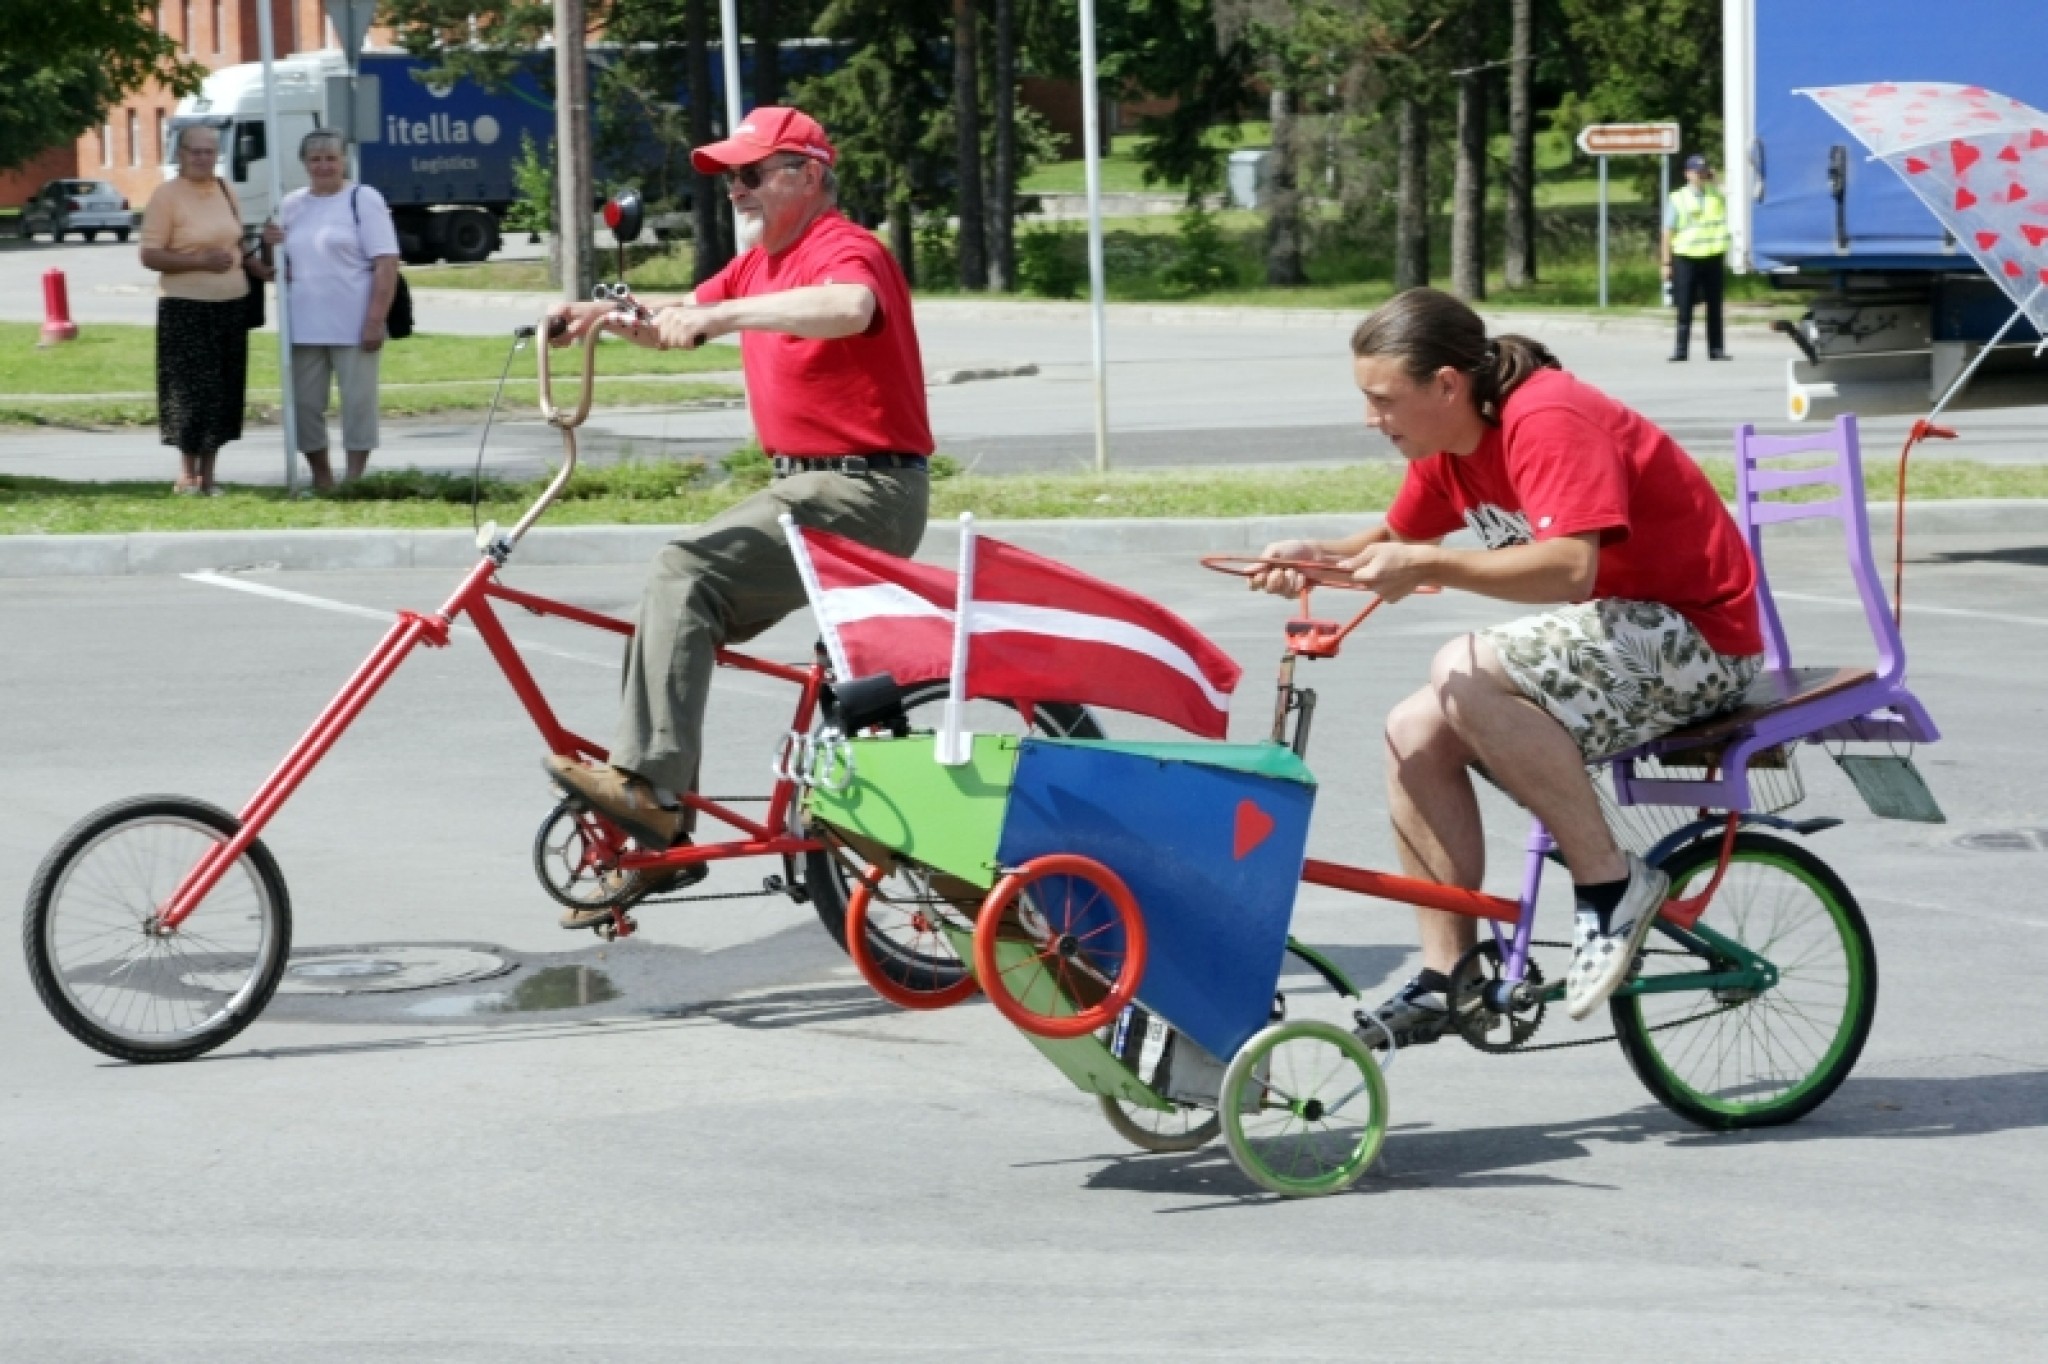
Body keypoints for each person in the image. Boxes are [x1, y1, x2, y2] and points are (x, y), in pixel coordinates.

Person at [1253, 287, 1763, 1042]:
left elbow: (1568, 570)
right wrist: (1318, 559)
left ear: (1447, 386)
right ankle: (1445, 976)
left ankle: (1612, 883)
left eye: (1384, 400)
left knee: (1463, 662)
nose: (1372, 419)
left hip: (1703, 638)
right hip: (1618, 633)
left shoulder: (1547, 416)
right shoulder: (1450, 447)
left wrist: (1432, 561)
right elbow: (1391, 537)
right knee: (1410, 729)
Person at [541, 105, 932, 929]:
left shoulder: (842, 248)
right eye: (727, 178)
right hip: (809, 491)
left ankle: (650, 793)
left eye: (752, 174)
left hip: (865, 491)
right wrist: (600, 315)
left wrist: (723, 314)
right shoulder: (760, 264)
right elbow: (673, 324)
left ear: (809, 176)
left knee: (687, 570)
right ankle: (652, 822)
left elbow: (849, 309)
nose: (735, 191)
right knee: (680, 600)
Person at [262, 130, 400, 490]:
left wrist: (375, 320)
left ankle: (354, 479)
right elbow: (278, 267)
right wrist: (268, 246)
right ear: (304, 164)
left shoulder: (362, 199)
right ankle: (321, 477)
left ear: (344, 161)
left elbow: (386, 262)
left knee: (357, 404)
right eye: (315, 159)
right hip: (304, 324)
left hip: (353, 323)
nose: (323, 166)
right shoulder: (291, 204)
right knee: (305, 405)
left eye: (330, 158)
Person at [138, 123, 271, 495]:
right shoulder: (166, 196)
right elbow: (149, 254)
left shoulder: (227, 189)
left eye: (209, 151)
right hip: (185, 307)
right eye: (195, 151)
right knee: (188, 392)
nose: (202, 158)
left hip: (230, 304)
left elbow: (238, 244)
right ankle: (187, 474)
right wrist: (197, 260)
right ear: (180, 154)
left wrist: (259, 266)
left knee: (222, 391)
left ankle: (210, 475)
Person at [1663, 153, 1732, 362]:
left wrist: (1716, 179)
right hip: (1685, 258)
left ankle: (1716, 350)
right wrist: (1666, 263)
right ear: (1687, 174)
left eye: (1703, 170)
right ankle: (1681, 350)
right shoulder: (1678, 197)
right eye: (1696, 171)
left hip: (1712, 256)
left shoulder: (1715, 194)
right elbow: (1667, 232)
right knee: (1684, 306)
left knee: (1714, 306)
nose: (1700, 174)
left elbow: (1734, 197)